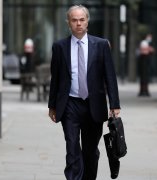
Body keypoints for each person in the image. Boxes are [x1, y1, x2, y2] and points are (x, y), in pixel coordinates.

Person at [48, 5, 121, 180]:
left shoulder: (101, 45)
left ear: (87, 21)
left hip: (93, 105)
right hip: (70, 104)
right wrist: (52, 106)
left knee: (90, 151)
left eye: (82, 20)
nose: (78, 23)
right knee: (72, 147)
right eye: (74, 20)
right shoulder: (59, 47)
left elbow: (109, 76)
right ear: (69, 23)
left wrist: (115, 104)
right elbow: (55, 79)